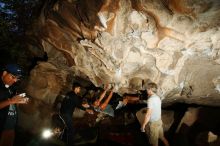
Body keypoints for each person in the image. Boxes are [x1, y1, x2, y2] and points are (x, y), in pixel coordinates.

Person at [0, 64, 29, 146]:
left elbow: (10, 103)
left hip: (11, 127)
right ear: (4, 73)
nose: (15, 80)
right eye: (13, 77)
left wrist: (18, 101)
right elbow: (9, 102)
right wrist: (11, 101)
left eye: (17, 78)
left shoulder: (10, 88)